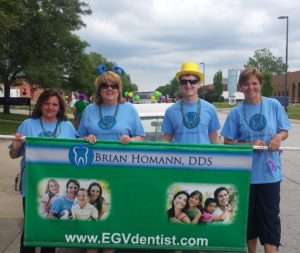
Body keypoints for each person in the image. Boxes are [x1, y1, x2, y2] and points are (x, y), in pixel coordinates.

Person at [221, 68, 291, 253]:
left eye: (254, 83)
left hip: (270, 176)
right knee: (249, 220)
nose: (250, 87)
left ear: (260, 84)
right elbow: (227, 142)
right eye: (246, 84)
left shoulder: (273, 105)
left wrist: (277, 138)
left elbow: (285, 130)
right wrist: (249, 145)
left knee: (269, 219)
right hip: (245, 176)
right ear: (241, 87)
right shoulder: (236, 113)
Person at [9, 88, 77, 253]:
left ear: (60, 107)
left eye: (54, 104)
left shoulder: (68, 127)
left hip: (57, 185)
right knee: (31, 227)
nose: (50, 107)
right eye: (47, 103)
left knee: (51, 227)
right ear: (40, 105)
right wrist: (16, 147)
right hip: (32, 184)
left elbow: (76, 152)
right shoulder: (27, 124)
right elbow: (13, 154)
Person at [77, 65, 145, 144]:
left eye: (114, 86)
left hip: (122, 156)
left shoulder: (130, 109)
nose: (110, 88)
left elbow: (140, 137)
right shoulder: (89, 110)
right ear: (99, 90)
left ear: (119, 90)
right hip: (94, 155)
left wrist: (130, 140)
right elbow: (79, 137)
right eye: (105, 86)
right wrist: (86, 138)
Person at [162, 62, 221, 144]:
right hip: (180, 156)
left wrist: (220, 156)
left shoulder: (210, 109)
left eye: (193, 81)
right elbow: (167, 139)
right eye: (184, 82)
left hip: (204, 156)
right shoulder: (171, 111)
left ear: (199, 84)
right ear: (180, 85)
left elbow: (214, 138)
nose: (188, 85)